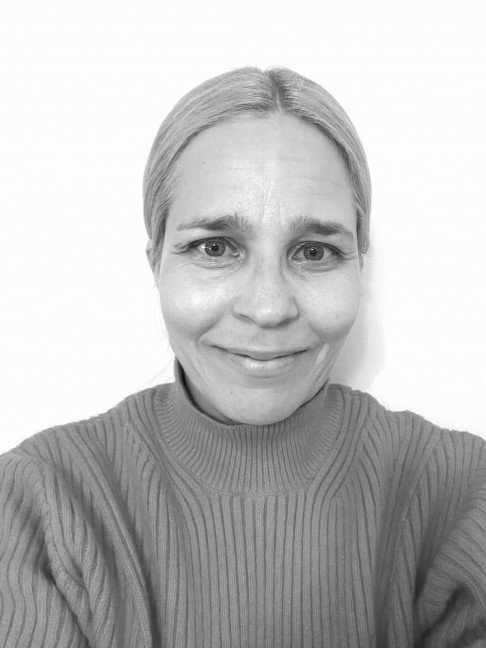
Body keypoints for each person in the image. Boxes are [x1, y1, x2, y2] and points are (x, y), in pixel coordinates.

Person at [1, 66, 485, 648]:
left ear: (360, 261)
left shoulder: (465, 498)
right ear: (156, 262)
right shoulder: (39, 503)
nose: (268, 307)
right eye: (215, 247)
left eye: (314, 251)